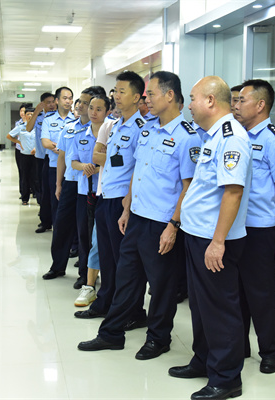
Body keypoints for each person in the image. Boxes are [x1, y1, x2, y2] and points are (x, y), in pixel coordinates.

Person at [77, 71, 202, 361]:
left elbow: (188, 186)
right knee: (126, 278)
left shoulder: (187, 137)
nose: (147, 99)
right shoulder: (148, 130)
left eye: (151, 94)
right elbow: (138, 172)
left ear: (169, 95)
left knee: (161, 286)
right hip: (136, 217)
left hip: (162, 223)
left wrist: (174, 225)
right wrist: (127, 208)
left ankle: (158, 338)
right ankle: (111, 334)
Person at [168, 76, 251, 400]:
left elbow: (233, 192)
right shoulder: (213, 135)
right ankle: (203, 360)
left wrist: (218, 242)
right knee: (201, 306)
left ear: (211, 101)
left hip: (214, 239)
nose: (189, 105)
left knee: (220, 308)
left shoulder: (232, 138)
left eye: (193, 98)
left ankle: (227, 378)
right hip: (198, 233)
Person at [74, 71, 148, 323]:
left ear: (137, 97)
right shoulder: (113, 125)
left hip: (122, 200)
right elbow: (97, 157)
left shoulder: (142, 129)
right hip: (105, 196)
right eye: (115, 91)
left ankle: (131, 311)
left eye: (122, 91)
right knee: (106, 255)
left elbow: (135, 167)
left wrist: (127, 203)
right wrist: (113, 160)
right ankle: (105, 302)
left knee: (124, 261)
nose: (116, 95)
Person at [233, 79, 275, 373]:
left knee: (262, 292)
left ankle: (269, 352)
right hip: (235, 226)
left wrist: (268, 210)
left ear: (260, 105)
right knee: (236, 291)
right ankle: (239, 346)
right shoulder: (237, 135)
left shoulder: (273, 139)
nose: (236, 105)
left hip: (259, 227)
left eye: (241, 100)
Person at [42, 87, 102, 284]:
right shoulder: (69, 128)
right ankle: (57, 266)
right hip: (70, 182)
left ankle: (85, 274)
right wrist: (58, 184)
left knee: (85, 231)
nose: (80, 105)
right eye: (80, 102)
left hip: (89, 186)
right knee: (61, 225)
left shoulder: (102, 129)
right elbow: (62, 157)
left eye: (86, 103)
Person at [71, 95, 110, 292]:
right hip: (83, 191)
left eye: (99, 109)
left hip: (105, 193)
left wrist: (97, 168)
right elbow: (73, 162)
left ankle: (104, 275)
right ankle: (84, 275)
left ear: (107, 112)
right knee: (84, 234)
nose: (93, 112)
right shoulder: (80, 134)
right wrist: (84, 166)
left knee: (101, 237)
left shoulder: (112, 133)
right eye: (91, 108)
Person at [41, 87, 76, 228]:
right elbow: (45, 142)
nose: (68, 101)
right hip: (54, 167)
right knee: (55, 201)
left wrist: (61, 149)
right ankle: (58, 232)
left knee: (71, 205)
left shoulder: (76, 120)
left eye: (70, 98)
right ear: (57, 100)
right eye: (64, 98)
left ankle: (71, 238)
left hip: (72, 169)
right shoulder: (48, 120)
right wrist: (62, 149)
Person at [28, 93, 56, 230]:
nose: (51, 105)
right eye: (48, 102)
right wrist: (36, 112)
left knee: (55, 190)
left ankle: (55, 219)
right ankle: (45, 220)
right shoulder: (39, 117)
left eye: (53, 102)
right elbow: (28, 128)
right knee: (43, 190)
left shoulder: (59, 117)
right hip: (41, 157)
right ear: (42, 104)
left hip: (56, 157)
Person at [7, 106, 39, 205]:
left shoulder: (38, 127)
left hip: (36, 155)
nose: (30, 116)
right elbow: (9, 136)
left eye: (32, 114)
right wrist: (18, 142)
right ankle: (25, 198)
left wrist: (37, 148)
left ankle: (38, 197)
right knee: (25, 177)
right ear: (25, 115)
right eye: (28, 114)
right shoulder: (21, 127)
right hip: (24, 155)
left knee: (36, 177)